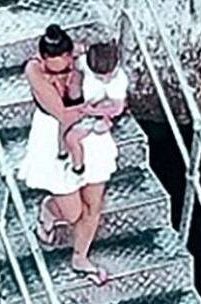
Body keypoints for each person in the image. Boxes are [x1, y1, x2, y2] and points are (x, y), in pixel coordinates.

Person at [17, 27, 126, 281]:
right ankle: (49, 210)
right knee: (72, 213)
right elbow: (61, 113)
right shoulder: (34, 71)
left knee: (93, 205)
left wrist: (111, 108)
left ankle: (80, 257)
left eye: (66, 68)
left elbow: (105, 73)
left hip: (88, 134)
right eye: (54, 71)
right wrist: (93, 111)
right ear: (42, 60)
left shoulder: (78, 59)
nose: (61, 75)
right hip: (53, 136)